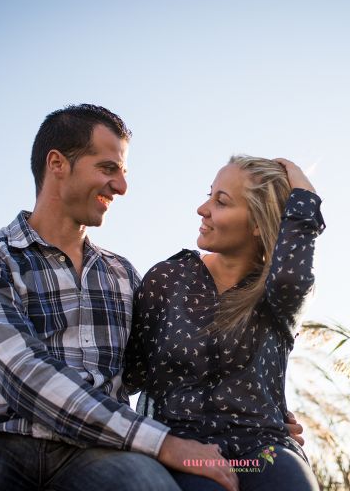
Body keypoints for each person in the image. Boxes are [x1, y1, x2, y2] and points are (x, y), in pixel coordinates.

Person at [0, 104, 242, 491]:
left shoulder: (125, 276)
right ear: (57, 164)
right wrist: (162, 443)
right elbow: (22, 372)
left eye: (123, 173)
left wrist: (249, 408)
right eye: (107, 168)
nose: (121, 187)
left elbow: (169, 365)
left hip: (102, 452)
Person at [124, 155, 324, 490]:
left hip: (263, 448)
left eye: (221, 201)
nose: (203, 209)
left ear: (258, 223)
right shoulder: (168, 278)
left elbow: (291, 275)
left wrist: (303, 193)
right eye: (209, 195)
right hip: (183, 447)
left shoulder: (278, 294)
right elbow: (129, 375)